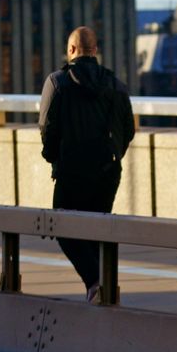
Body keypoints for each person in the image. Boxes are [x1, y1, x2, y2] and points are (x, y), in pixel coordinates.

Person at [39, 26, 135, 302]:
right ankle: (102, 286)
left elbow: (47, 127)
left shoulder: (57, 82)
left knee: (63, 226)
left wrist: (54, 156)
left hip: (71, 170)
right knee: (95, 228)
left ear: (71, 50)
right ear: (95, 51)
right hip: (107, 170)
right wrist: (113, 154)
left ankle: (95, 282)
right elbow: (128, 128)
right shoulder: (115, 84)